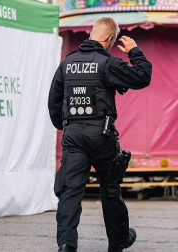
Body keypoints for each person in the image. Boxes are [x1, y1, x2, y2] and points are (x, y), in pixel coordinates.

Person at [48, 17, 152, 252]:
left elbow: (54, 101)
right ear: (110, 39)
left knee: (70, 190)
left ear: (92, 34)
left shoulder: (67, 63)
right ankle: (118, 241)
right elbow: (142, 76)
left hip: (73, 134)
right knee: (110, 187)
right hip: (101, 134)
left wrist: (66, 127)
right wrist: (134, 51)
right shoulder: (107, 63)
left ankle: (66, 244)